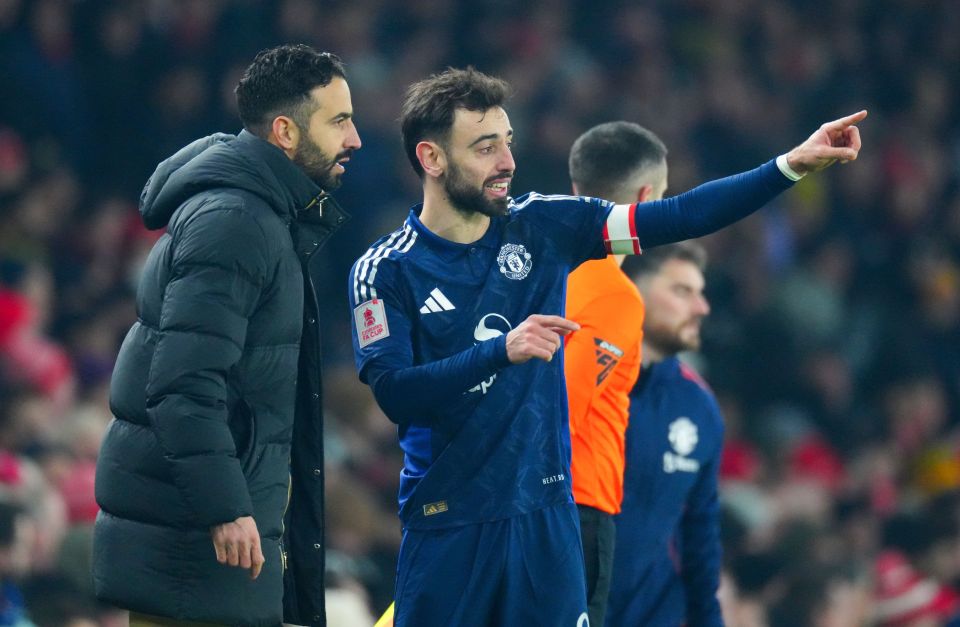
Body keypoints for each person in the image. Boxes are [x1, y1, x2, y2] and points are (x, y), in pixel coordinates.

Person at [348, 66, 864, 627]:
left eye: (508, 143)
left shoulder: (545, 224)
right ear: (431, 158)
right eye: (485, 147)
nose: (507, 163)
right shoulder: (384, 271)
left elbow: (681, 215)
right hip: (449, 521)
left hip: (546, 521)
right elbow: (396, 393)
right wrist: (502, 351)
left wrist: (791, 165)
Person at [92, 44, 361, 627]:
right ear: (285, 131)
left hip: (210, 542)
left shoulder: (262, 214)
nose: (354, 139)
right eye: (339, 120)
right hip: (197, 546)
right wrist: (226, 508)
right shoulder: (235, 222)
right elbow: (183, 382)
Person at [563, 121, 666, 627]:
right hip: (575, 504)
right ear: (646, 198)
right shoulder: (614, 294)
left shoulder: (539, 267)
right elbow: (562, 405)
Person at [605, 242, 722, 626]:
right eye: (682, 291)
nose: (701, 308)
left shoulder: (700, 407)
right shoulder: (579, 379)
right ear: (632, 289)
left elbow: (700, 535)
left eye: (700, 293)